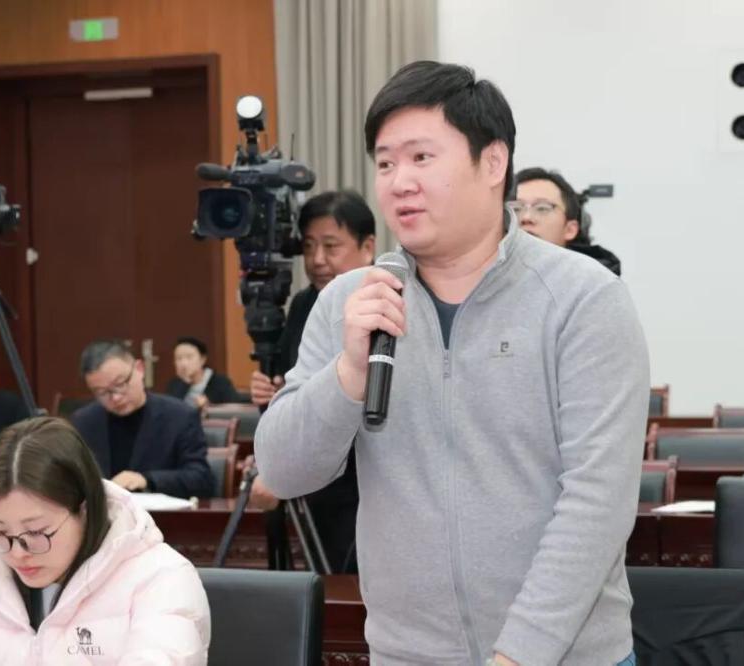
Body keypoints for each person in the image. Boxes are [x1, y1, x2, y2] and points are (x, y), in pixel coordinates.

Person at [255, 61, 649, 666]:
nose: (399, 182)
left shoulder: (583, 298)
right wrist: (349, 374)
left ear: (492, 163)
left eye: (421, 157)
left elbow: (598, 501)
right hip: (406, 654)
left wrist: (519, 655)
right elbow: (282, 472)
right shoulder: (351, 302)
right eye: (386, 164)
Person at [0, 417, 210, 663]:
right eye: (0, 532)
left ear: (84, 509)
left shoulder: (161, 579)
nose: (18, 553)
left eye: (36, 533)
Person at [248, 190, 375, 572]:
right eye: (308, 246)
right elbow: (296, 378)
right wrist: (273, 393)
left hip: (361, 487)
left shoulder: (379, 300)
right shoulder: (303, 303)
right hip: (313, 485)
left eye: (331, 246)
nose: (317, 259)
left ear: (368, 247)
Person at [72, 340, 214, 499]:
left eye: (120, 384)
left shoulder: (180, 416)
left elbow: (201, 479)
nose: (115, 397)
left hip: (160, 513)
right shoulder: (84, 422)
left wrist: (147, 480)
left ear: (139, 369)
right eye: (102, 392)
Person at [511, 166, 622, 276]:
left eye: (542, 208)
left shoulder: (595, 282)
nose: (526, 218)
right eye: (515, 209)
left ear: (570, 230)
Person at [165, 336, 243, 408]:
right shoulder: (175, 384)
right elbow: (169, 410)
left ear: (202, 359)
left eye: (189, 357)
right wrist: (184, 384)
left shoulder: (220, 382)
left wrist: (209, 407)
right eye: (178, 358)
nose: (183, 363)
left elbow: (232, 410)